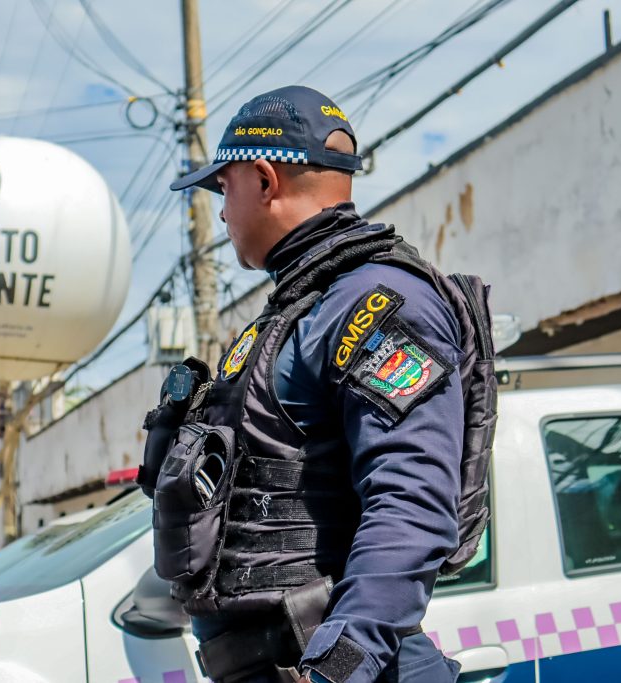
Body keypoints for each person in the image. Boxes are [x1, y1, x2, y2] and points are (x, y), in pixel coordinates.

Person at [140, 86, 495, 683]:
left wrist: (337, 670)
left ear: (264, 180)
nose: (222, 213)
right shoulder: (298, 310)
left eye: (224, 188)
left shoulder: (375, 304)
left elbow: (412, 503)